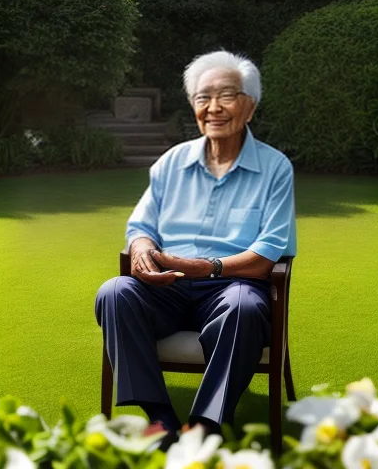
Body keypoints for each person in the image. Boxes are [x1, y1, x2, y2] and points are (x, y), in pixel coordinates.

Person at [95, 49, 296, 441]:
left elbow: (268, 253)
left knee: (246, 308)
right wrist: (140, 249)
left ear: (250, 106)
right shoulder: (171, 162)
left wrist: (208, 267)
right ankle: (160, 420)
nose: (214, 107)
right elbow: (140, 225)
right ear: (193, 106)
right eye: (203, 98)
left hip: (232, 287)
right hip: (166, 287)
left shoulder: (275, 168)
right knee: (114, 291)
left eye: (227, 96)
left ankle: (205, 425)